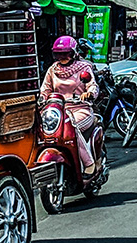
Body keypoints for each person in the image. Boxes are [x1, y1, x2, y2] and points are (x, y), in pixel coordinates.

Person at [40, 35, 100, 172]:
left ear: (73, 53)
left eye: (66, 54)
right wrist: (41, 99)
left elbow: (93, 86)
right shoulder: (52, 70)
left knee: (70, 128)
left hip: (80, 110)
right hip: (58, 112)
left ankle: (89, 163)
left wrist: (89, 94)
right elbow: (45, 89)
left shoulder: (84, 68)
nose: (62, 57)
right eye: (59, 54)